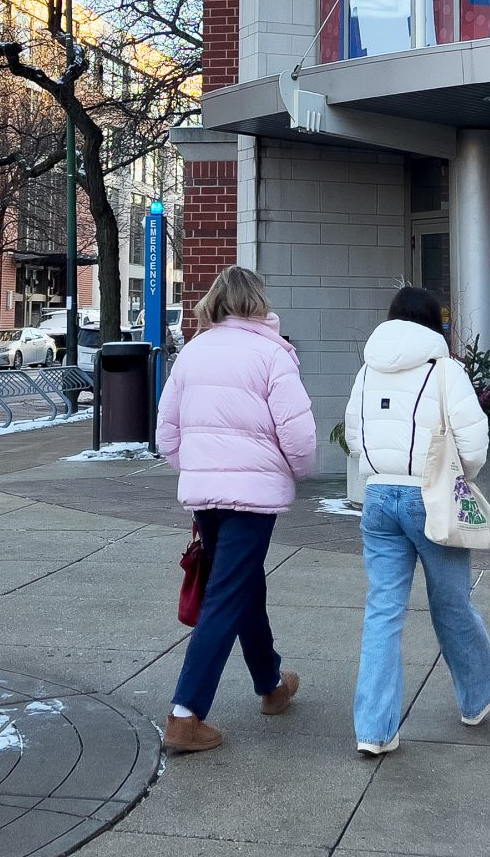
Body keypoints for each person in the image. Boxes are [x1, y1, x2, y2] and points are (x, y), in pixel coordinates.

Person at [155, 265, 317, 754]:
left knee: (244, 585)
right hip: (253, 497)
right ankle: (185, 714)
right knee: (227, 595)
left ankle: (270, 685)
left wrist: (203, 467)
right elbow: (300, 438)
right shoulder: (273, 355)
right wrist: (294, 472)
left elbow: (166, 436)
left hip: (206, 497)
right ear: (258, 303)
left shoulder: (193, 352)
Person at [343, 286, 490, 757]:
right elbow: (473, 445)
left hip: (377, 498)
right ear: (436, 323)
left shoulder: (368, 369)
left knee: (382, 611)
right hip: (430, 498)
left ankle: (374, 729)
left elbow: (355, 435)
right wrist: (456, 478)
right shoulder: (445, 370)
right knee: (451, 603)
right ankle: (477, 696)